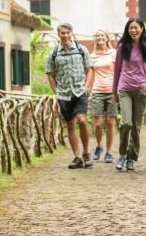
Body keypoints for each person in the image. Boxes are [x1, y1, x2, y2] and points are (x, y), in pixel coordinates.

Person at [44, 23, 93, 169]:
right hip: (64, 94)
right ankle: (77, 157)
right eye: (62, 33)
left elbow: (89, 70)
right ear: (58, 34)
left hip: (79, 91)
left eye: (67, 32)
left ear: (71, 33)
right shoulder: (53, 54)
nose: (65, 35)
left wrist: (86, 87)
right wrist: (56, 91)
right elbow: (50, 75)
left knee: (82, 121)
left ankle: (85, 153)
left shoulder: (81, 50)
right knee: (70, 125)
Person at [111, 17, 146, 172]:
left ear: (142, 29)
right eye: (131, 28)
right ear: (127, 30)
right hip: (124, 88)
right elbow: (116, 70)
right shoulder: (122, 46)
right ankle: (122, 154)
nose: (133, 30)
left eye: (136, 27)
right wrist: (114, 91)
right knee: (126, 123)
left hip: (140, 90)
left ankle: (132, 158)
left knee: (136, 126)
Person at [86, 29, 117, 163]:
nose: (100, 37)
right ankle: (99, 146)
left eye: (102, 35)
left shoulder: (113, 53)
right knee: (98, 124)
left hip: (111, 91)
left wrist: (118, 89)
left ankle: (109, 152)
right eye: (98, 36)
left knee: (110, 123)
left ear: (106, 38)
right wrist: (88, 87)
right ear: (96, 39)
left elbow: (118, 72)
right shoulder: (92, 56)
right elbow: (90, 73)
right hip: (97, 91)